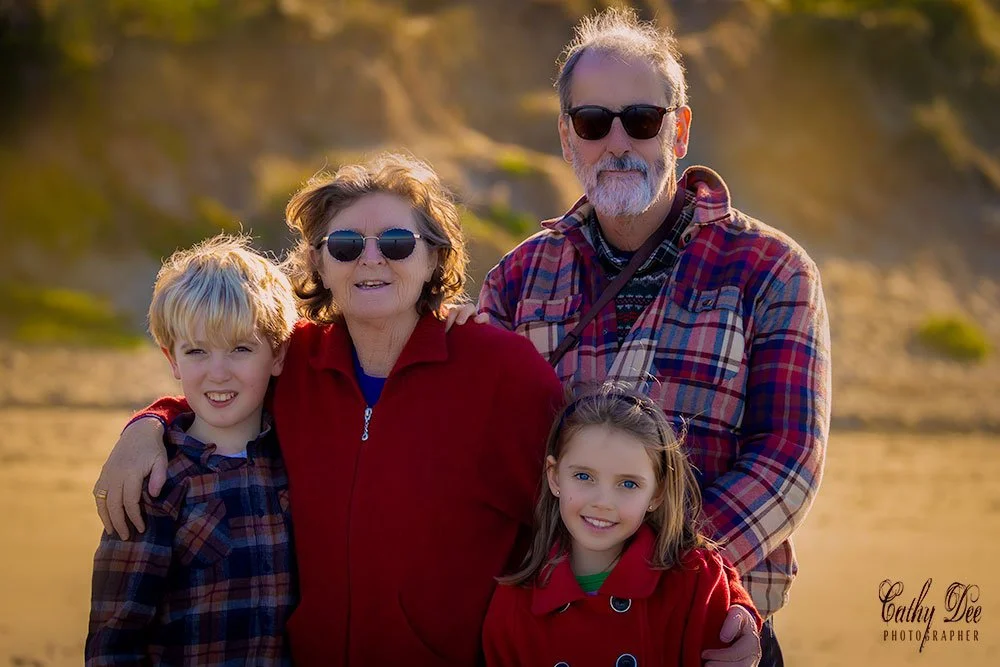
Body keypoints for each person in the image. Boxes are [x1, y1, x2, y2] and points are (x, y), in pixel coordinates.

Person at [93, 153, 565, 665]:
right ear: (318, 262)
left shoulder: (504, 374)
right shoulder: (294, 361)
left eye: (396, 242)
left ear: (434, 257)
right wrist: (148, 425)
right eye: (345, 245)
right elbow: (220, 387)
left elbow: (564, 531)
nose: (371, 259)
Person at [477, 9, 832, 666]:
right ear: (566, 136)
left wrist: (670, 576)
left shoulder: (772, 269)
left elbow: (787, 459)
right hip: (556, 629)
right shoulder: (516, 280)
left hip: (712, 630)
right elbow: (497, 460)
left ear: (680, 129)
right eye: (593, 122)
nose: (617, 142)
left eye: (642, 120)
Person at [86, 234, 298, 664]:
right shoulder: (155, 485)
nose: (218, 373)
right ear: (173, 360)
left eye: (240, 348)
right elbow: (114, 643)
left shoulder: (295, 459)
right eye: (197, 351)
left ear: (277, 354)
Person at [483, 384, 762, 666]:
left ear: (657, 494)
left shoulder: (696, 584)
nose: (603, 502)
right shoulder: (514, 606)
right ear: (554, 477)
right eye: (583, 476)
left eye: (628, 484)